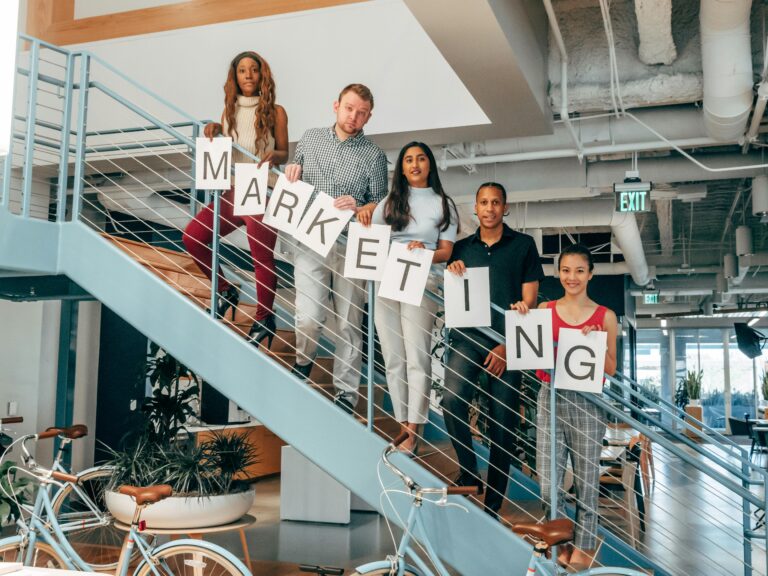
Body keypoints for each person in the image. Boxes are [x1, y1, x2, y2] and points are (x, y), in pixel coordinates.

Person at [284, 84, 388, 413]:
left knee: (348, 322)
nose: (353, 117)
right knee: (309, 317)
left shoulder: (374, 155)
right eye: (349, 108)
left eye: (361, 113)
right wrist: (290, 171)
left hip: (350, 243)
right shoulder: (310, 138)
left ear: (369, 116)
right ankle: (304, 359)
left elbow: (381, 205)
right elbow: (294, 180)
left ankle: (346, 391)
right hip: (310, 236)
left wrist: (360, 205)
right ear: (336, 106)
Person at [443, 182, 544, 518]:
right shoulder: (460, 248)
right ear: (475, 208)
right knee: (451, 400)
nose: (489, 208)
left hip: (508, 343)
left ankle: (493, 506)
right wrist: (451, 269)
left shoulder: (524, 246)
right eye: (483, 202)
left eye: (496, 202)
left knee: (503, 427)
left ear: (505, 207)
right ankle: (470, 471)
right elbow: (453, 291)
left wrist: (506, 345)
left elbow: (529, 301)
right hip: (468, 338)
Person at [183, 51, 288, 347]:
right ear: (235, 76)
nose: (249, 75)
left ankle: (265, 316)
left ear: (262, 75)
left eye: (254, 70)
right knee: (193, 237)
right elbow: (226, 149)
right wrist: (215, 131)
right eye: (242, 71)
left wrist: (273, 157)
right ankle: (226, 289)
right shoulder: (227, 111)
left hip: (261, 189)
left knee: (261, 258)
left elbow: (284, 153)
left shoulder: (276, 111)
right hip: (234, 189)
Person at [534, 243, 618, 571]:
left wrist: (594, 342)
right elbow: (532, 353)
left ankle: (584, 544)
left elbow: (611, 368)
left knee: (586, 481)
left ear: (591, 274)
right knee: (546, 480)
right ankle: (561, 538)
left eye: (580, 270)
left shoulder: (605, 316)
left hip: (588, 400)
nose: (572, 277)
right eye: (566, 270)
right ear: (559, 272)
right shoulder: (544, 309)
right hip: (550, 395)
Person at [371, 142, 458, 455]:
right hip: (386, 280)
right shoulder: (389, 202)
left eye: (421, 158)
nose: (415, 164)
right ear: (402, 167)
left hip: (422, 281)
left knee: (417, 357)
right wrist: (365, 213)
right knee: (394, 357)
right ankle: (401, 423)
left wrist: (426, 252)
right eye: (409, 159)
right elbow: (372, 238)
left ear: (430, 164)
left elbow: (447, 250)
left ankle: (414, 429)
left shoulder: (443, 203)